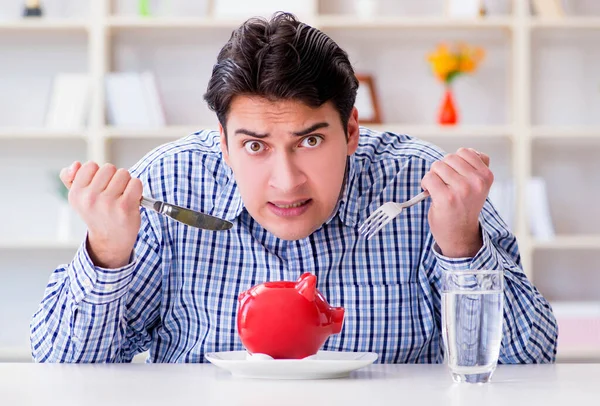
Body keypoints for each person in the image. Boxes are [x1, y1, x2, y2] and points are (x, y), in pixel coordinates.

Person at [30, 12, 557, 364]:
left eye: (309, 141)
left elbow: (530, 358)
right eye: (255, 145)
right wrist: (106, 255)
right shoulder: (168, 184)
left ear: (351, 131)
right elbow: (61, 364)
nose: (286, 180)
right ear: (223, 142)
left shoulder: (423, 187)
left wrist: (461, 247)